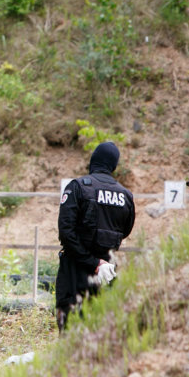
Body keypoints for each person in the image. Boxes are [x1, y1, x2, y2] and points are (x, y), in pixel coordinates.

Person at [55, 141, 136, 332]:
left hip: (75, 270)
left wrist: (91, 261)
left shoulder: (78, 187)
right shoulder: (126, 195)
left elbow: (66, 232)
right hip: (107, 271)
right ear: (113, 165)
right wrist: (101, 261)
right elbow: (125, 231)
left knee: (69, 329)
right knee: (99, 329)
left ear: (94, 160)